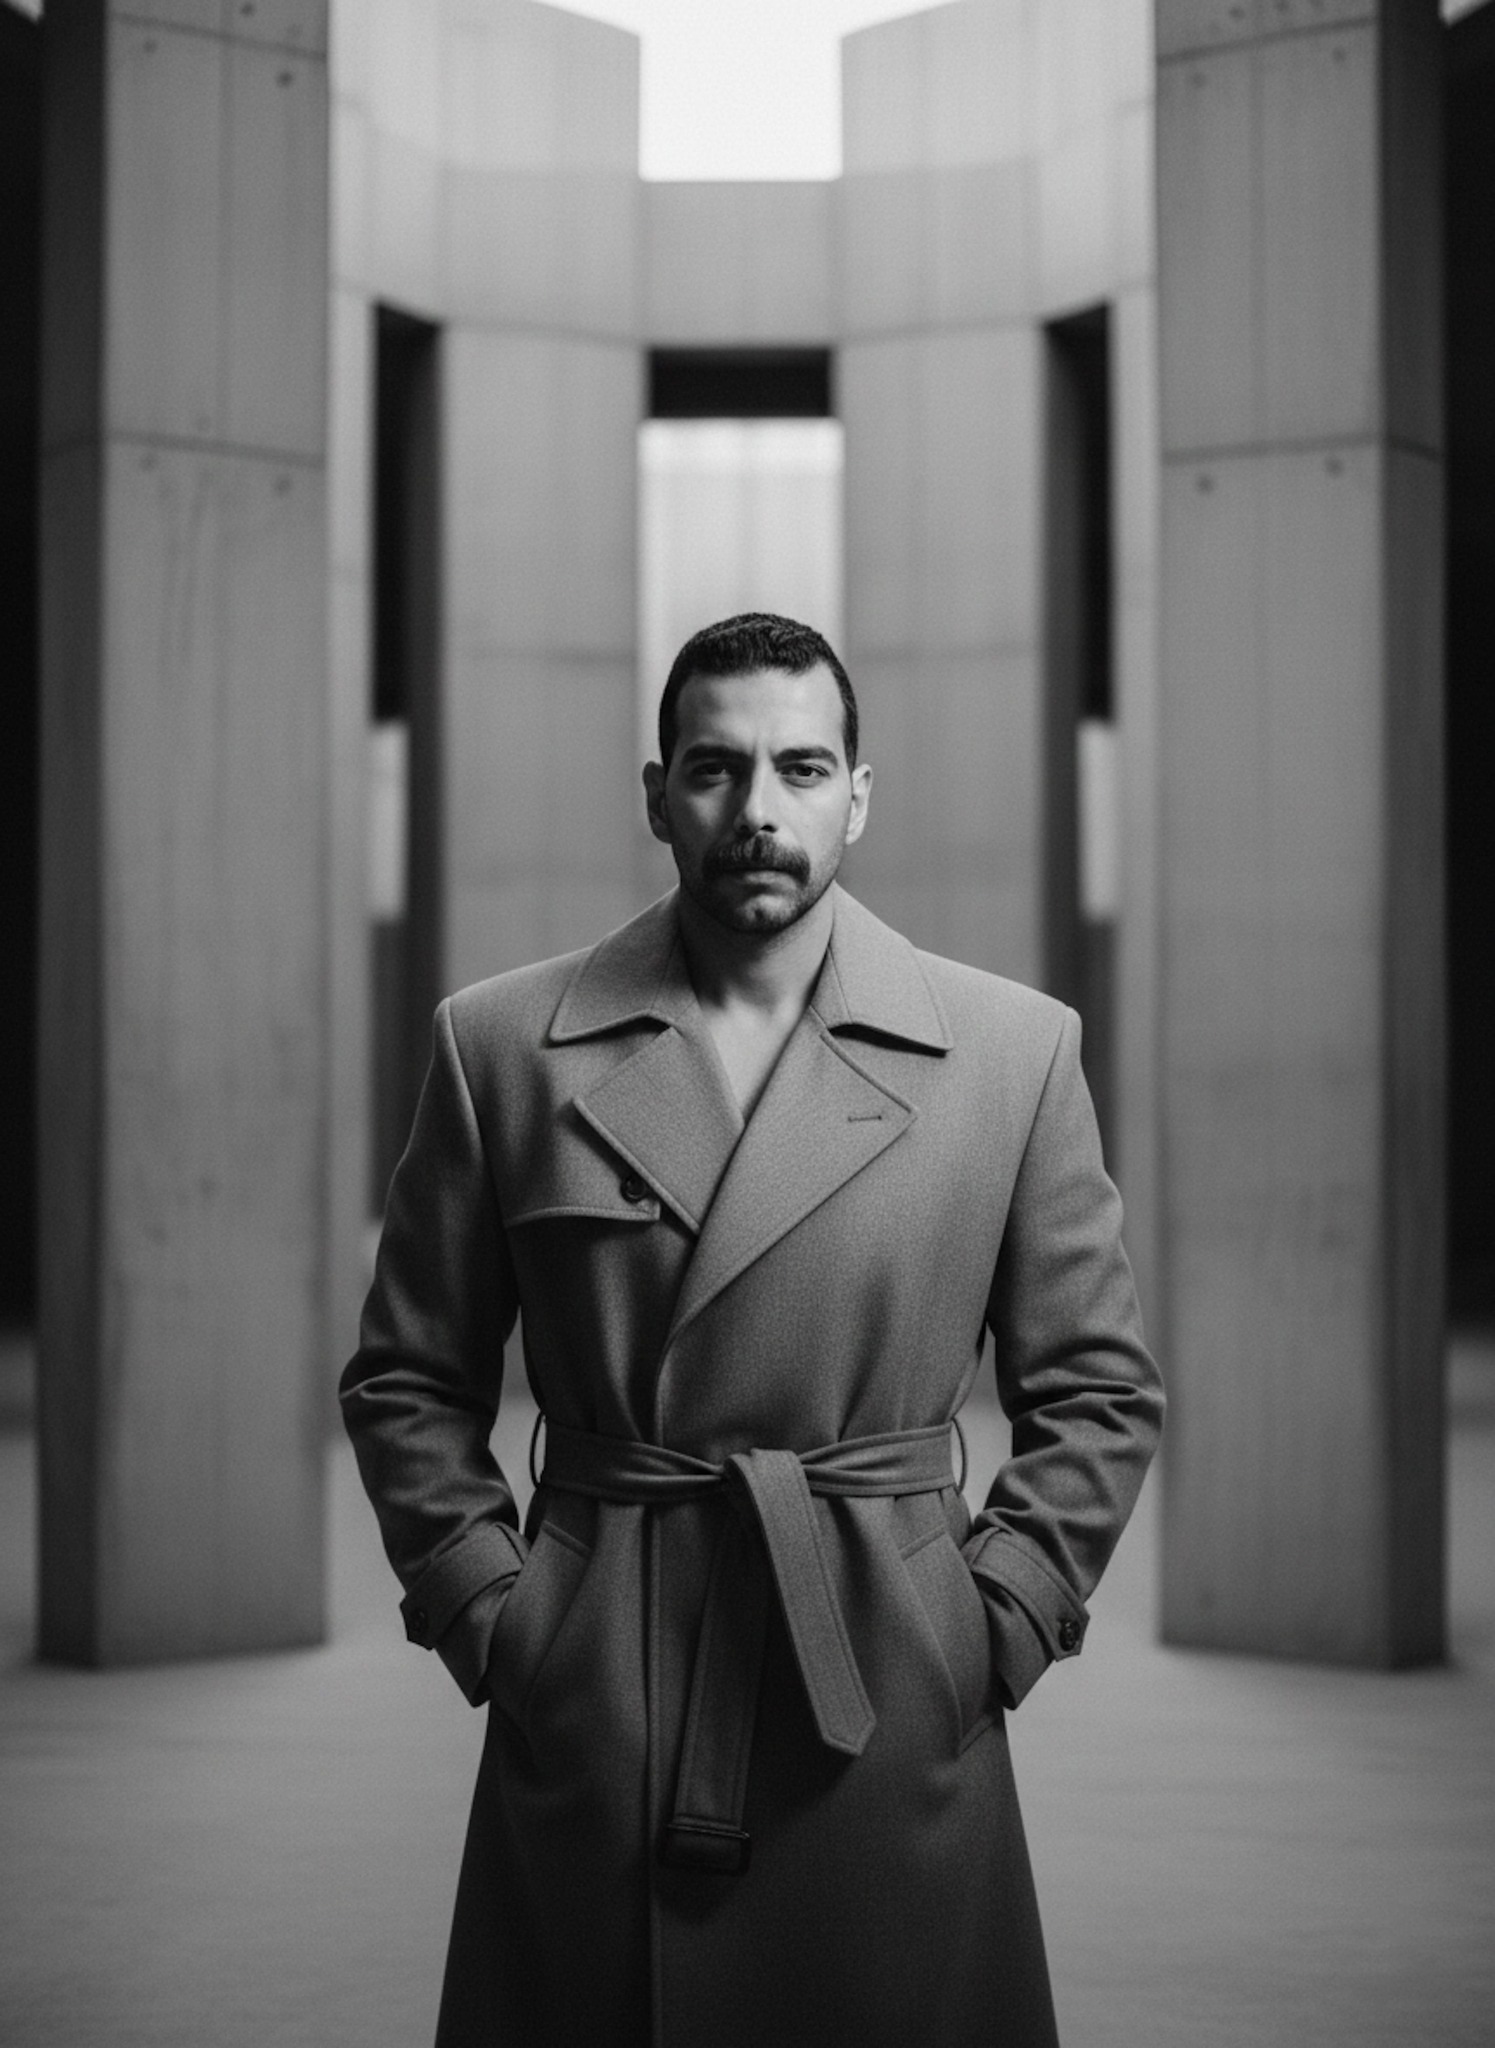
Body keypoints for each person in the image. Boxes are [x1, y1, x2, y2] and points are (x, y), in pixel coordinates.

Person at [341, 612, 1164, 2048]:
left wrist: (1000, 1625)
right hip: (606, 1674)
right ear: (658, 793)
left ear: (858, 792)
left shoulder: (1012, 1054)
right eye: (717, 771)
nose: (759, 813)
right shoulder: (501, 1048)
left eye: (800, 767)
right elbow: (408, 1376)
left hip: (887, 1672)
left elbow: (1098, 1387)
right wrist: (499, 1617)